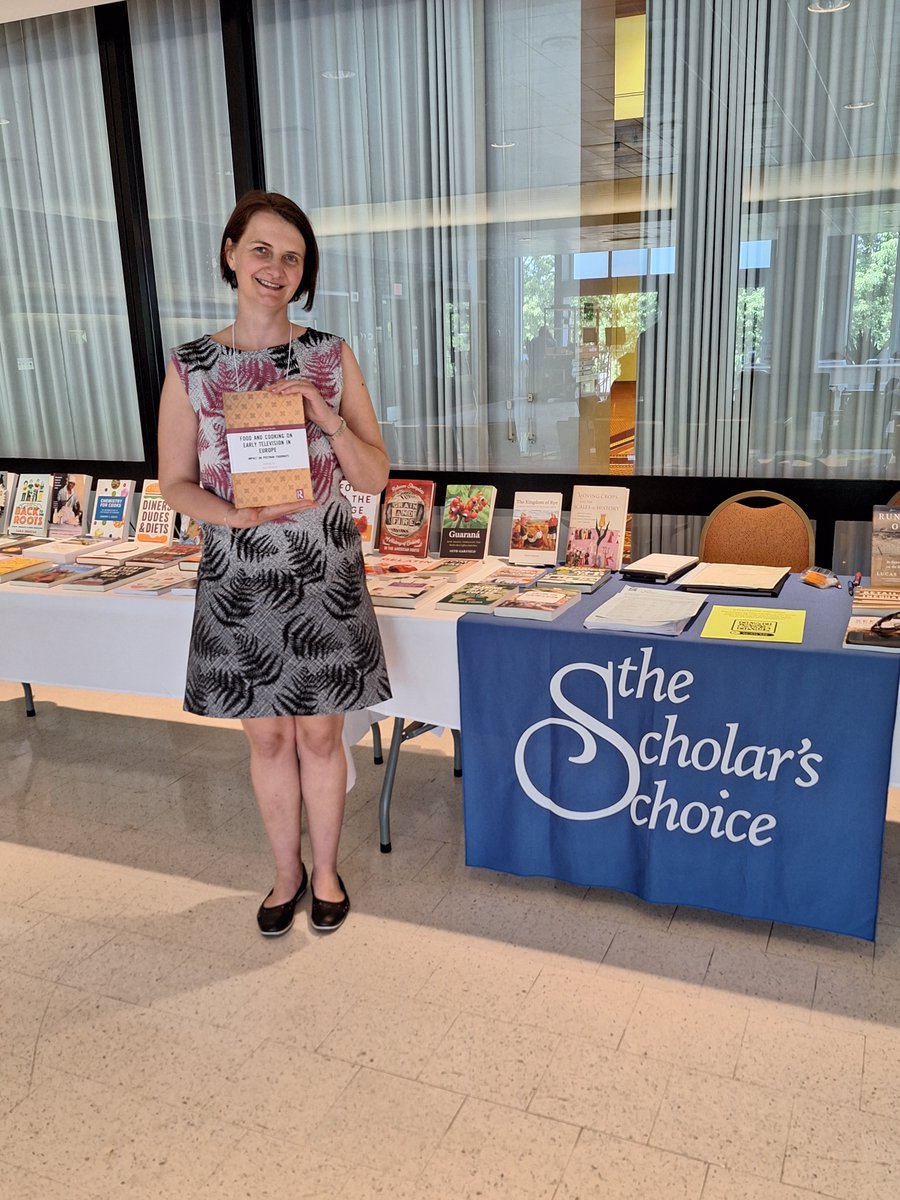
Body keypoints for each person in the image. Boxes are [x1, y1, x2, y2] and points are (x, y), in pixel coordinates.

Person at [158, 191, 392, 937]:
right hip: (240, 579)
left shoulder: (330, 355)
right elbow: (173, 483)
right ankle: (284, 873)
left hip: (323, 576)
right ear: (230, 253)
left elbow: (376, 477)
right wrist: (235, 515)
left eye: (292, 257)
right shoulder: (192, 367)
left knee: (320, 735)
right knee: (266, 736)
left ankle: (325, 871)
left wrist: (327, 417)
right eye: (261, 250)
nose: (276, 268)